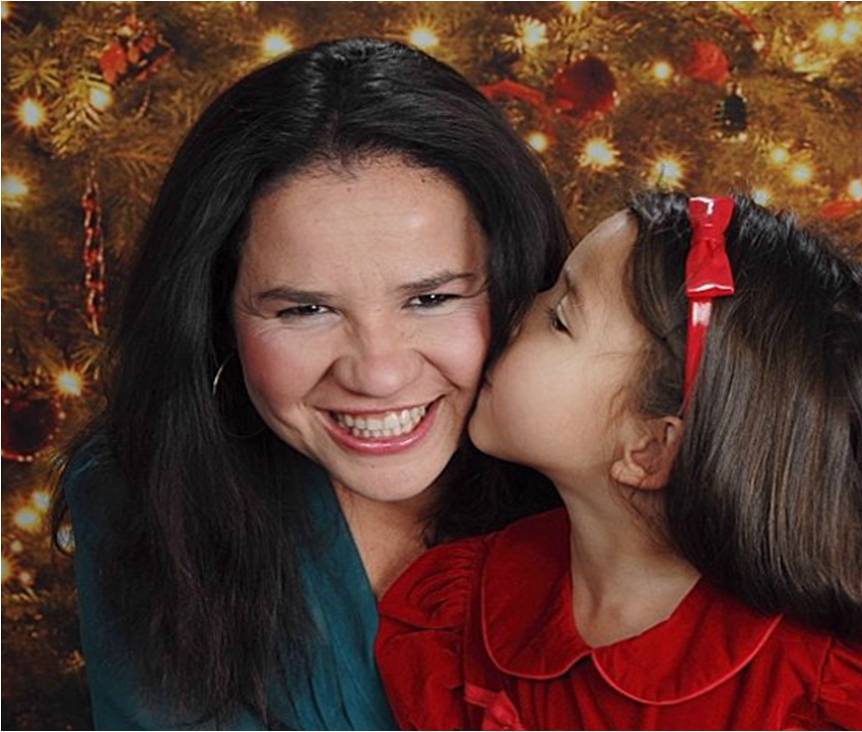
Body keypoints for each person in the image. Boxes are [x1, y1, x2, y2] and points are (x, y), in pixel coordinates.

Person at [51, 37, 568, 730]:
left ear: (515, 285)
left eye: (431, 299)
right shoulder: (137, 491)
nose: (378, 373)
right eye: (305, 311)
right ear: (216, 314)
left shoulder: (613, 478)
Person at [377, 192, 862, 730]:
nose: (514, 307)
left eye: (561, 317)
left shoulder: (846, 696)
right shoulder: (460, 612)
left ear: (650, 449)